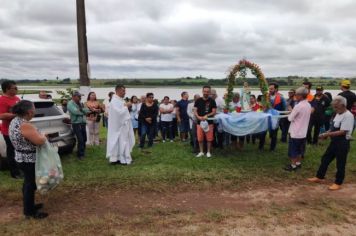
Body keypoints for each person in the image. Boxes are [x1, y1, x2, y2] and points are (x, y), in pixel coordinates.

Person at [9, 100, 48, 219]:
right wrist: (44, 136)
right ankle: (29, 212)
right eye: (34, 109)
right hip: (28, 159)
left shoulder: (15, 120)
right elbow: (39, 141)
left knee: (28, 183)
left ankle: (29, 206)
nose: (35, 112)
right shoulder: (25, 124)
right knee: (30, 185)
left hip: (21, 157)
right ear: (30, 112)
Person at [308, 96, 354, 190]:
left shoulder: (348, 116)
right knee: (325, 158)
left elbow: (343, 131)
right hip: (334, 142)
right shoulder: (338, 113)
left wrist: (327, 134)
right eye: (334, 107)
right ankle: (319, 177)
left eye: (336, 107)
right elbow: (333, 127)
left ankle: (338, 182)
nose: (334, 109)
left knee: (340, 163)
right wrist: (327, 132)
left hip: (343, 142)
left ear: (343, 105)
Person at [284, 87, 311, 171]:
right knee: (300, 149)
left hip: (295, 131)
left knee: (293, 149)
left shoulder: (298, 106)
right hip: (303, 131)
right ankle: (298, 163)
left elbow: (290, 118)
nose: (295, 96)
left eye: (296, 94)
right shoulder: (308, 104)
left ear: (300, 95)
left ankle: (293, 165)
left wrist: (290, 110)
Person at [106, 85, 135, 165]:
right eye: (123, 91)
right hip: (119, 126)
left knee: (121, 141)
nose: (125, 92)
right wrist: (126, 106)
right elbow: (118, 113)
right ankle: (122, 158)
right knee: (122, 141)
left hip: (122, 125)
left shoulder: (120, 100)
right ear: (117, 91)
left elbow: (121, 111)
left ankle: (118, 158)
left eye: (125, 91)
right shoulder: (114, 101)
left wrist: (125, 106)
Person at [0, 80, 22, 179]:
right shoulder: (2, 100)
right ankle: (14, 173)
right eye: (15, 88)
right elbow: (1, 115)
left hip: (19, 129)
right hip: (8, 131)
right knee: (11, 151)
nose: (17, 89)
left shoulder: (17, 98)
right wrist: (16, 115)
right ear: (7, 89)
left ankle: (20, 169)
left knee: (19, 150)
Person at [260, 83, 287, 150]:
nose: (270, 90)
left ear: (276, 89)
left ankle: (272, 148)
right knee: (263, 132)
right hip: (266, 118)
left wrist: (281, 117)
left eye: (271, 89)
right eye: (269, 89)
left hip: (275, 118)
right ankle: (260, 147)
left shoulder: (281, 97)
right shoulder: (265, 97)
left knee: (274, 133)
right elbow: (262, 108)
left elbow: (284, 108)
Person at [194, 85, 217, 158]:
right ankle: (201, 152)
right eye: (205, 91)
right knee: (200, 138)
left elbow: (214, 112)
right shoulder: (198, 100)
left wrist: (207, 116)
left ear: (210, 92)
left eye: (207, 91)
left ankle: (208, 152)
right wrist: (198, 117)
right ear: (202, 91)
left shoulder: (212, 101)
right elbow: (195, 110)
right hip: (199, 122)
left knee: (209, 138)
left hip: (209, 122)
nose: (206, 93)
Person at [67, 91, 90, 160]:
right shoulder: (70, 103)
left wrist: (82, 110)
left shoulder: (80, 103)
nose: (80, 97)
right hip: (76, 123)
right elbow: (75, 112)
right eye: (78, 96)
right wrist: (83, 111)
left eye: (80, 96)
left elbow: (87, 110)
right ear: (73, 97)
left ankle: (82, 151)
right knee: (80, 139)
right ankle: (80, 155)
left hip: (82, 123)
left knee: (84, 138)